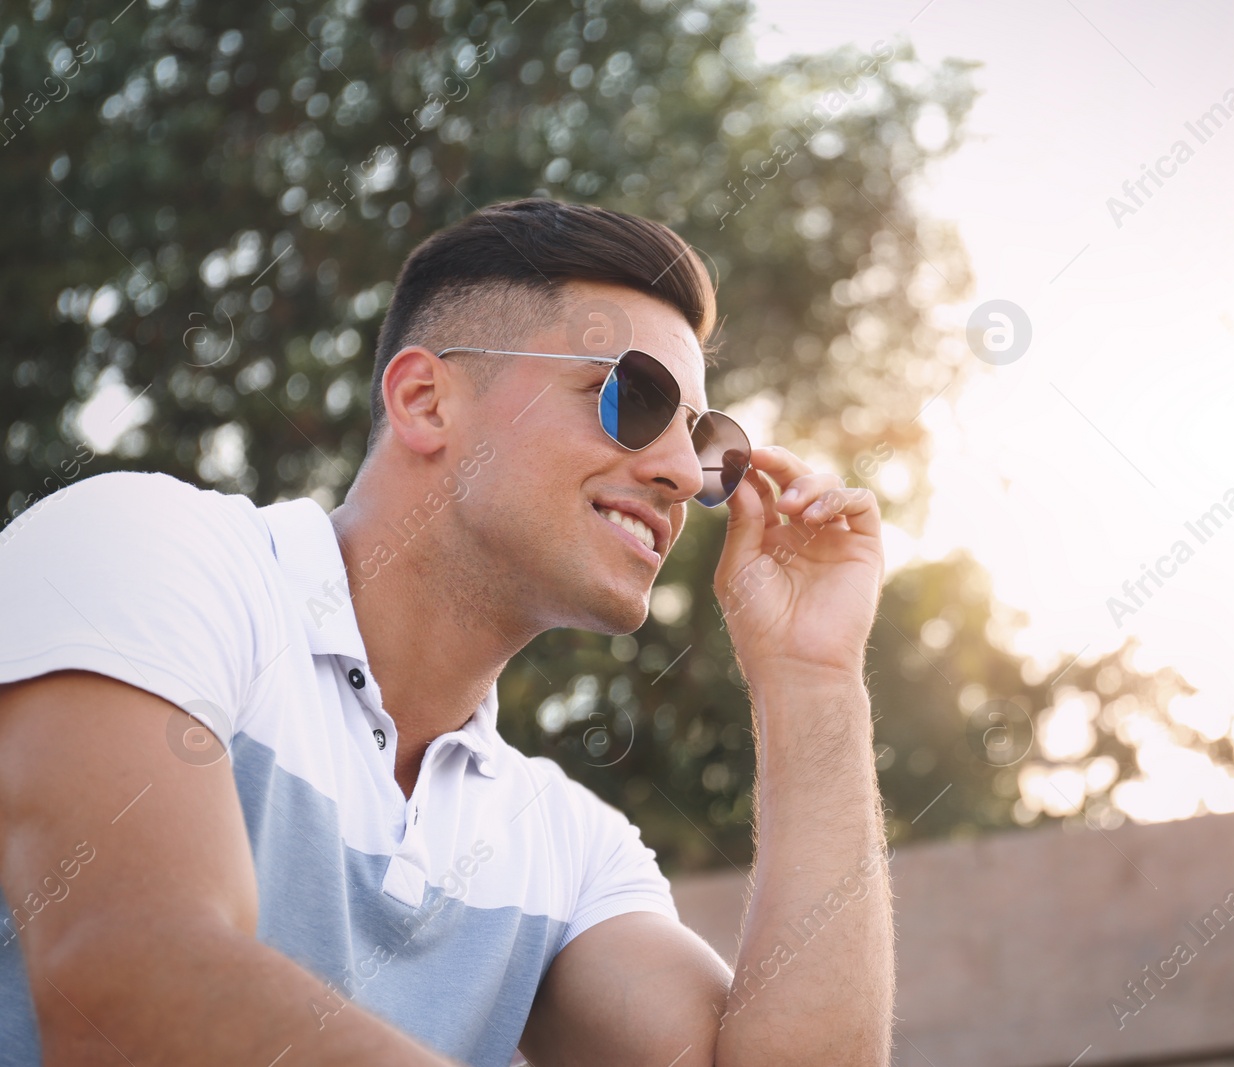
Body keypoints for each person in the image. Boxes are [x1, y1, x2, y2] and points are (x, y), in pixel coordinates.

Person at [0, 198, 893, 1066]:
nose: (674, 472)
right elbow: (129, 994)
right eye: (631, 395)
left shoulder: (571, 850)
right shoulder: (147, 550)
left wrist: (812, 679)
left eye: (707, 442)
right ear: (426, 400)